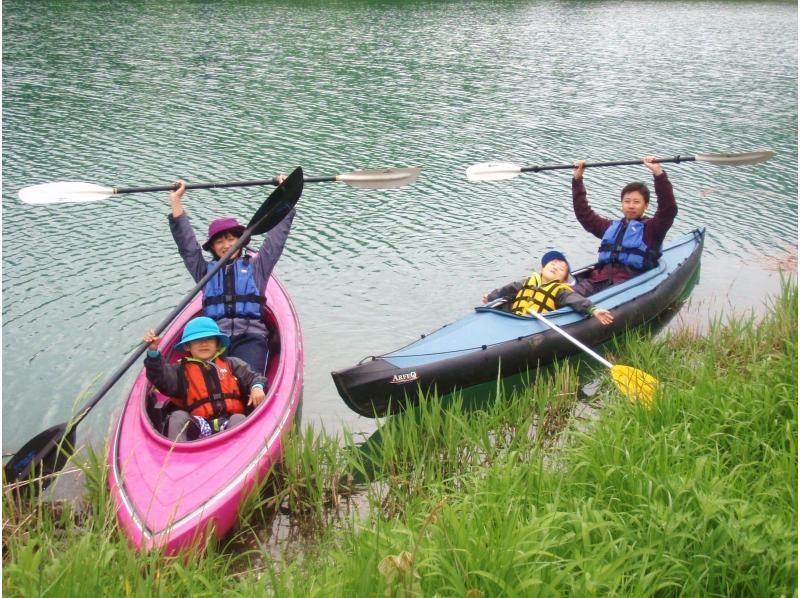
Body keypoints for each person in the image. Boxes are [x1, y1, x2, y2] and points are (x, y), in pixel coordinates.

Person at [169, 176, 291, 375]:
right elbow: (187, 246)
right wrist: (176, 201)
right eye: (219, 242)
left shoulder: (257, 266)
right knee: (210, 384)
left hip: (251, 337)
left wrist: (285, 195)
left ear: (241, 242)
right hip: (214, 339)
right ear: (213, 248)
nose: (226, 245)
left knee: (250, 380)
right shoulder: (203, 271)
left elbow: (276, 239)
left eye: (231, 239)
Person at [143, 317, 267, 442]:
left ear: (217, 343)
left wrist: (257, 387)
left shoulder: (232, 364)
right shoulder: (180, 370)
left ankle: (240, 455)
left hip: (229, 422)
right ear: (187, 347)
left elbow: (254, 377)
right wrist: (153, 352)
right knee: (178, 416)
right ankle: (177, 457)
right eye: (197, 340)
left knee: (239, 418)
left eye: (209, 339)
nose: (204, 344)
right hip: (199, 425)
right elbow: (160, 377)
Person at [571, 156, 678, 296]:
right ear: (622, 204)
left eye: (636, 202)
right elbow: (584, 214)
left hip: (628, 284)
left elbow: (668, 209)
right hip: (599, 280)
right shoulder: (609, 227)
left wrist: (658, 174)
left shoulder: (653, 228)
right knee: (565, 295)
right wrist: (577, 179)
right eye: (627, 201)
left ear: (646, 205)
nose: (631, 206)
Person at [482, 250, 614, 325]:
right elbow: (508, 289)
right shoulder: (528, 281)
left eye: (561, 269)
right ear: (542, 269)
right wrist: (491, 297)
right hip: (514, 318)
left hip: (533, 324)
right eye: (552, 264)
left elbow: (575, 299)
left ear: (563, 279)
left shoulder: (560, 290)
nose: (556, 267)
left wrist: (592, 310)